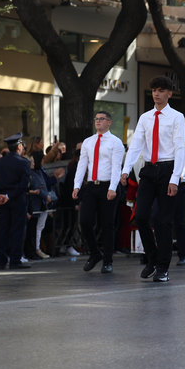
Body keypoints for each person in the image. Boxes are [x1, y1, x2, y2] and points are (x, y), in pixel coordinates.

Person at [121, 76, 185, 282]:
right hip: (149, 170)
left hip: (168, 169)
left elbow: (179, 148)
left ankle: (162, 267)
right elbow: (136, 145)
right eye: (154, 90)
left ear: (169, 93)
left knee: (163, 221)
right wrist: (125, 170)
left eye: (161, 90)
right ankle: (152, 258)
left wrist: (175, 179)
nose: (156, 94)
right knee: (140, 217)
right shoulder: (145, 117)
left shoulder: (177, 117)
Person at [73, 110, 124, 274]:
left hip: (108, 185)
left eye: (101, 119)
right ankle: (95, 253)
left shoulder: (115, 142)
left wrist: (113, 188)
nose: (98, 122)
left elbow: (117, 167)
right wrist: (77, 186)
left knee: (107, 224)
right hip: (91, 187)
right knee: (85, 221)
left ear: (109, 122)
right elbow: (82, 165)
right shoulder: (88, 142)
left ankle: (108, 261)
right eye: (96, 119)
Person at [0, 133, 32, 270]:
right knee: (17, 230)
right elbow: (24, 185)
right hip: (17, 200)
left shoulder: (0, 163)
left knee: (3, 230)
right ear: (19, 147)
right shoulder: (24, 163)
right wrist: (8, 196)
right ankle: (15, 259)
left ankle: (2, 260)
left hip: (2, 201)